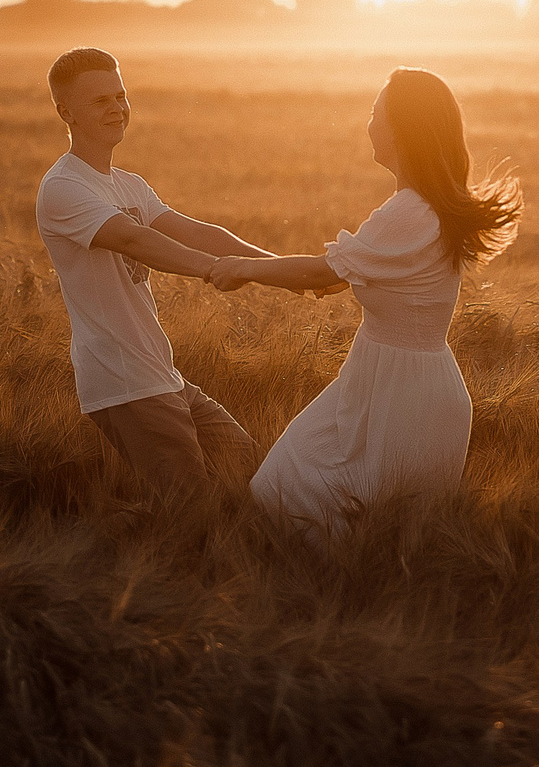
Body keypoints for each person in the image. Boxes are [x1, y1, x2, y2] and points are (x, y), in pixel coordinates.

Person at [210, 67, 520, 534]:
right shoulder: (420, 207)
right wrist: (280, 270)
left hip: (406, 395)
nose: (369, 123)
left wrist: (243, 268)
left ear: (402, 130)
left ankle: (331, 598)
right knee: (308, 495)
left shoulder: (409, 212)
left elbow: (322, 271)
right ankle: (332, 594)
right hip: (387, 383)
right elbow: (332, 278)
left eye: (376, 112)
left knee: (341, 514)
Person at [35, 46, 339, 507]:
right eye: (100, 101)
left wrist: (283, 272)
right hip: (124, 381)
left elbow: (200, 233)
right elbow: (137, 242)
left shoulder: (128, 184)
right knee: (192, 511)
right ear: (65, 112)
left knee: (249, 469)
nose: (117, 108)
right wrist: (215, 271)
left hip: (162, 373)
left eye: (120, 95)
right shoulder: (63, 188)